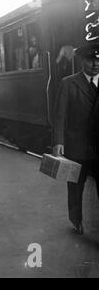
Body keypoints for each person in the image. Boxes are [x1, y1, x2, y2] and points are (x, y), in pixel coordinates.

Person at [52, 42, 99, 235]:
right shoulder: (68, 83)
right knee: (75, 188)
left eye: (98, 60)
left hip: (98, 147)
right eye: (91, 60)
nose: (95, 64)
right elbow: (60, 116)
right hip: (76, 146)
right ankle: (76, 220)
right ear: (81, 61)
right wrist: (58, 143)